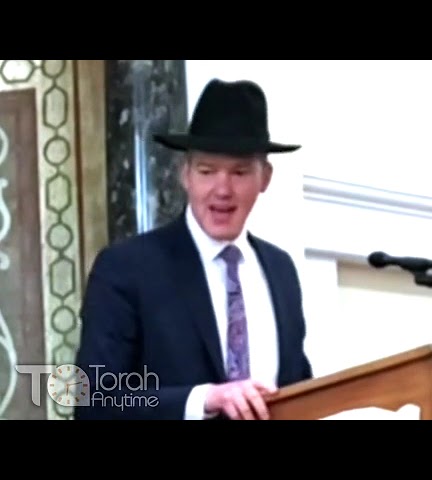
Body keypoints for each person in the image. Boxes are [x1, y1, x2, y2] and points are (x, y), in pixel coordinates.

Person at [73, 78, 313, 420]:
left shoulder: (280, 270)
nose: (222, 189)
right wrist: (203, 400)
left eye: (240, 172)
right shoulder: (126, 268)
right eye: (207, 171)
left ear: (265, 178)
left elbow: (300, 391)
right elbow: (95, 400)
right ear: (184, 175)